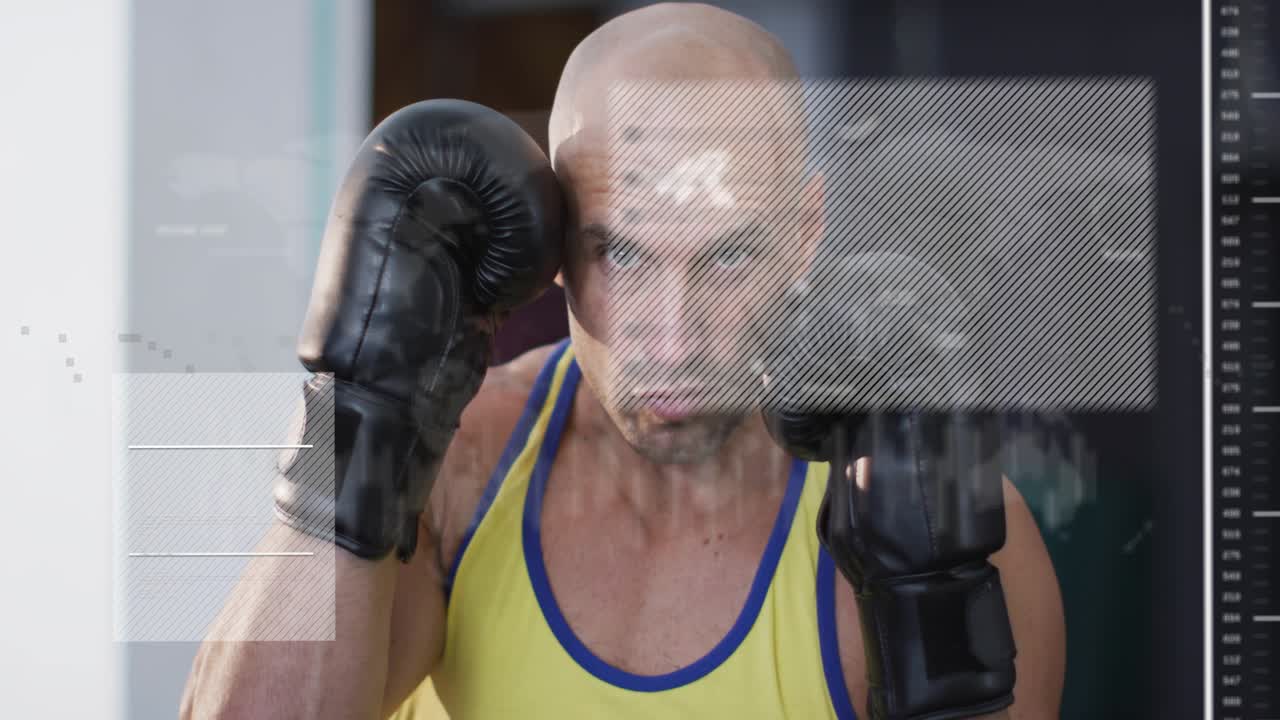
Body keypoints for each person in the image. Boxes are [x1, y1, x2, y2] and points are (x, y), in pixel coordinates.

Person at [181, 4, 1065, 719]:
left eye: (727, 257)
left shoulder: (920, 509)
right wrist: (359, 421)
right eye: (624, 256)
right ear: (551, 241)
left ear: (804, 233)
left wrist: (932, 615)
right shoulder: (458, 477)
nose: (672, 343)